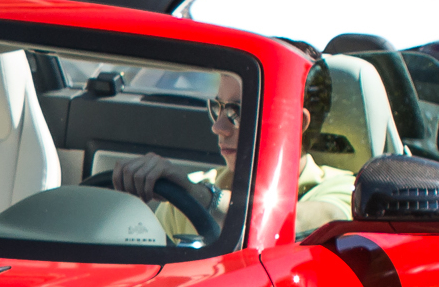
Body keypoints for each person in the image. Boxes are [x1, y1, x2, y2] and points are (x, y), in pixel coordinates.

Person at [109, 72, 353, 238]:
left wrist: (202, 199)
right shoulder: (187, 195)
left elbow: (310, 222)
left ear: (295, 123)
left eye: (238, 112)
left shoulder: (347, 190)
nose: (218, 127)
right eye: (217, 108)